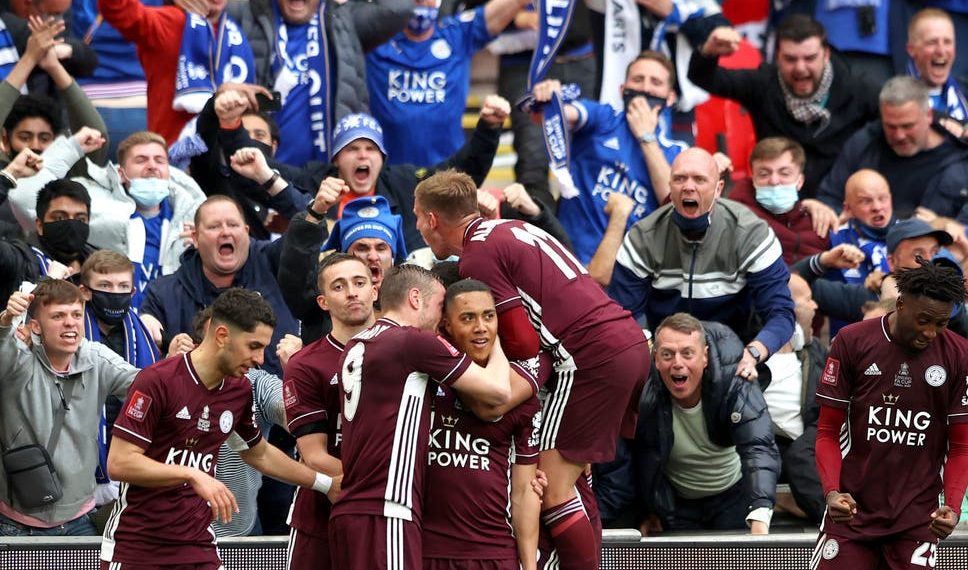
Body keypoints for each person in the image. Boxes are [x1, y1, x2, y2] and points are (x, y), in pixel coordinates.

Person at [413, 169, 650, 569]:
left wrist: (507, 383)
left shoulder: (477, 257)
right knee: (571, 481)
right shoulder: (511, 228)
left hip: (588, 359)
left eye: (417, 217)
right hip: (625, 340)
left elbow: (523, 342)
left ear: (432, 220)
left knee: (551, 489)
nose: (418, 226)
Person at [99, 288, 339, 567]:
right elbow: (119, 463)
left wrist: (325, 484)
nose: (261, 359)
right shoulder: (157, 380)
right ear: (222, 335)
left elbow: (258, 453)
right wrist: (191, 474)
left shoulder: (238, 390)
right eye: (253, 346)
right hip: (137, 546)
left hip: (197, 544)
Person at [328, 264, 512, 569]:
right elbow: (498, 392)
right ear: (415, 298)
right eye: (441, 306)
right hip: (387, 509)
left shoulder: (357, 344)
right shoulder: (411, 342)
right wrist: (495, 336)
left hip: (351, 511)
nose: (443, 319)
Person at [812, 260, 968, 569]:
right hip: (852, 511)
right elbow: (827, 431)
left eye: (941, 323)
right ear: (900, 304)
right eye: (923, 320)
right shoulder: (853, 341)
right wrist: (831, 491)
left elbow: (962, 447)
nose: (930, 332)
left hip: (916, 519)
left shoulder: (959, 355)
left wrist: (951, 505)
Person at [609, 147, 796, 383]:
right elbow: (623, 315)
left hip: (733, 359)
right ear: (670, 186)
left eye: (699, 179)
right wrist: (654, 353)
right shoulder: (642, 237)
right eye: (679, 179)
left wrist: (753, 353)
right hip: (662, 359)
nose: (688, 186)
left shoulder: (751, 234)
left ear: (718, 189)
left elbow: (781, 313)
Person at [7, 130, 205, 309]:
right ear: (121, 172)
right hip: (116, 326)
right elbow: (23, 197)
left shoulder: (195, 217)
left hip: (172, 328)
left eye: (160, 160)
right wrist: (73, 147)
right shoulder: (94, 203)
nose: (152, 166)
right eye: (141, 160)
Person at [0, 279, 138, 536]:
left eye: (76, 314)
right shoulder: (18, 358)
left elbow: (148, 387)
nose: (70, 322)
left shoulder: (96, 358)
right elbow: (3, 350)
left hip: (80, 521)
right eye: (58, 316)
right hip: (16, 525)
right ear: (35, 326)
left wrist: (171, 364)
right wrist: (6, 321)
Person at [688, 14, 880, 197]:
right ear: (777, 56)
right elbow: (705, 78)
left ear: (826, 54)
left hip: (838, 201)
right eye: (790, 59)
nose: (800, 68)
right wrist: (708, 51)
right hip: (775, 202)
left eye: (810, 58)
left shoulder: (858, 91)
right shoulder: (762, 85)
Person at [424, 278, 543, 569]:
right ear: (446, 326)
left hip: (493, 554)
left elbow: (525, 490)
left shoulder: (520, 397)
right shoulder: (420, 382)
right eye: (468, 318)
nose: (481, 327)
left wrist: (529, 566)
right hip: (423, 551)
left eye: (489, 316)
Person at [528, 51, 687, 265]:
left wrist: (646, 138)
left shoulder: (677, 152)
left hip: (626, 275)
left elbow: (673, 202)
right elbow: (555, 115)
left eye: (655, 82)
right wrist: (549, 99)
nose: (645, 88)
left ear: (670, 98)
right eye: (638, 80)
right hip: (568, 260)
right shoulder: (603, 117)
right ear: (623, 89)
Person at [635, 314, 779, 534]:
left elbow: (758, 446)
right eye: (667, 354)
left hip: (733, 497)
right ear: (655, 358)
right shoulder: (644, 387)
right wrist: (646, 510)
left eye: (687, 353)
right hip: (676, 504)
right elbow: (639, 455)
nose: (677, 363)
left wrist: (760, 512)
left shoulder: (736, 379)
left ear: (705, 357)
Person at [225, 0, 411, 164]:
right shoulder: (249, 13)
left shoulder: (343, 17)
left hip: (330, 174)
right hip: (261, 168)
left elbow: (398, 8)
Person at [283, 253, 377, 569]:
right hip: (321, 516)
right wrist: (379, 488)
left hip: (389, 515)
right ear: (323, 302)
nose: (352, 292)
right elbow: (314, 456)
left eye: (359, 283)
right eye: (339, 286)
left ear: (374, 291)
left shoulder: (407, 351)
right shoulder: (306, 364)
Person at [139, 195, 298, 376]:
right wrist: (163, 349)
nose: (225, 232)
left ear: (246, 231)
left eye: (233, 225)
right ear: (195, 238)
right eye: (214, 226)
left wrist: (268, 179)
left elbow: (307, 232)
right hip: (198, 400)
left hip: (275, 396)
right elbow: (147, 370)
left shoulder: (275, 263)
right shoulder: (164, 293)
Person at [366, 0, 527, 166]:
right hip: (388, 175)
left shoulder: (457, 33)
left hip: (447, 176)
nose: (420, 2)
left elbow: (509, 5)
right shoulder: (375, 39)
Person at [98, 0, 254, 145]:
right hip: (173, 156)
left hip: (230, 155)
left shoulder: (236, 33)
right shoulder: (169, 21)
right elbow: (115, 7)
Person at [816, 76, 968, 224]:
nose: (899, 135)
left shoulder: (960, 154)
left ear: (928, 115)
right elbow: (828, 199)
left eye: (907, 126)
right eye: (891, 126)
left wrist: (944, 226)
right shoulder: (865, 143)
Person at [760, 275, 826, 524]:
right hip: (778, 446)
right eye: (808, 299)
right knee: (799, 454)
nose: (815, 305)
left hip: (816, 435)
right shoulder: (749, 355)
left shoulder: (814, 349)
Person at [730, 136, 837, 264]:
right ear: (753, 179)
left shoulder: (817, 221)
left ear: (800, 181)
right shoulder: (736, 215)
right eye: (764, 174)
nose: (774, 181)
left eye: (784, 173)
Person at [906, 8, 968, 137]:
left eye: (947, 42)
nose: (941, 50)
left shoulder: (964, 93)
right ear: (911, 49)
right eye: (932, 42)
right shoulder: (897, 98)